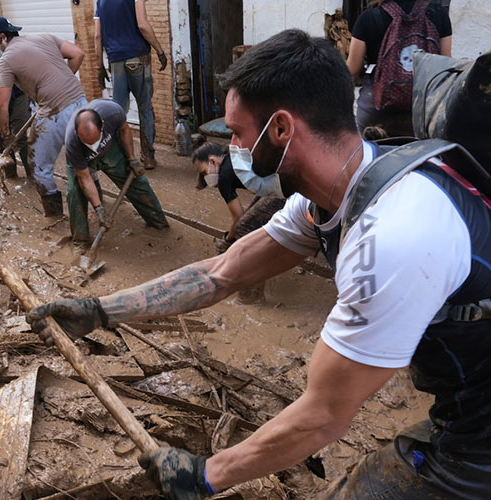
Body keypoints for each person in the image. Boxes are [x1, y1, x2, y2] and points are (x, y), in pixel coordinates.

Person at [26, 29, 491, 499]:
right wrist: (99, 310)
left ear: (282, 129)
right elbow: (220, 273)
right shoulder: (335, 193)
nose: (233, 144)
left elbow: (324, 415)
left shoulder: (390, 240)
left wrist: (205, 474)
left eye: (238, 132)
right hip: (462, 406)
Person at [0, 16, 87, 217]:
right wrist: (63, 82)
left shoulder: (6, 60)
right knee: (83, 160)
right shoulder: (43, 37)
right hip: (81, 103)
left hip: (54, 113)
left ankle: (55, 215)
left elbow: (1, 105)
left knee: (39, 168)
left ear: (3, 37)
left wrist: (6, 133)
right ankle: (95, 199)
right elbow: (78, 53)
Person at [65, 99, 168, 244]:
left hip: (110, 149)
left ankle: (158, 222)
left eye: (94, 141)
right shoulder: (72, 143)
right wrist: (99, 210)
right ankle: (81, 240)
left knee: (137, 183)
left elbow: (125, 130)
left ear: (103, 126)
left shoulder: (113, 112)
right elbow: (85, 178)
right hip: (83, 160)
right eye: (87, 143)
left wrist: (131, 159)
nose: (93, 146)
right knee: (74, 192)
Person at [346, 0, 451, 137]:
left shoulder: (369, 17)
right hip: (422, 115)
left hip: (376, 115)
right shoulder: (438, 14)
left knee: (371, 155)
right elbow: (446, 65)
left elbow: (352, 70)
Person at [94, 0, 168, 170]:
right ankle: (148, 157)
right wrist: (160, 50)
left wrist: (99, 66)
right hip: (138, 57)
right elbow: (143, 25)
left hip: (115, 60)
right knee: (145, 107)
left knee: (118, 113)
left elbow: (97, 36)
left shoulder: (100, 1)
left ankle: (126, 158)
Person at [192, 142, 285, 251]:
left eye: (204, 173)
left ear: (212, 161)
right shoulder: (233, 157)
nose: (205, 178)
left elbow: (238, 218)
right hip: (284, 179)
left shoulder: (223, 178)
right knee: (250, 215)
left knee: (243, 228)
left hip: (285, 189)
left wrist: (227, 240)